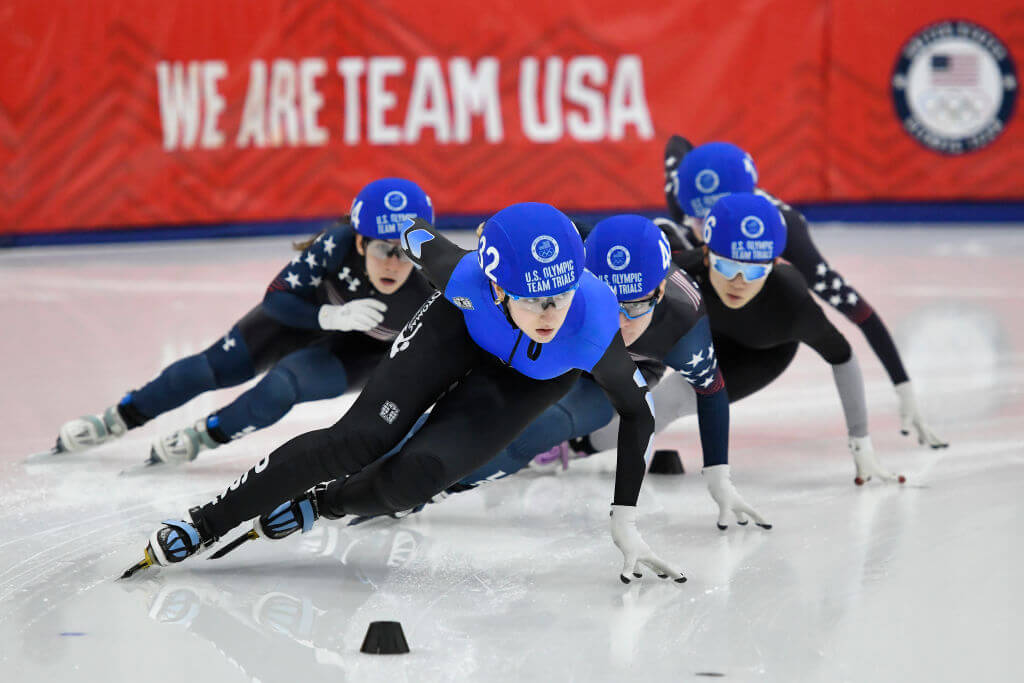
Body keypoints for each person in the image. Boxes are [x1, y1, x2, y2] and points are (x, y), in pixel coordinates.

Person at [123, 203, 685, 585]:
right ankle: (209, 520)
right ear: (494, 284)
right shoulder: (462, 277)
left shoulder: (590, 328)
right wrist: (383, 227)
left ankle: (321, 504)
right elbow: (414, 231)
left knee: (415, 478)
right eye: (532, 299)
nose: (549, 315)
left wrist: (624, 520)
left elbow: (637, 417)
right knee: (359, 439)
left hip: (526, 381)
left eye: (560, 297)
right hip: (458, 330)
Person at [37, 178, 436, 466]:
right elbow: (277, 298)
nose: (394, 263)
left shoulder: (436, 280)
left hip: (364, 352)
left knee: (282, 387)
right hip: (305, 316)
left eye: (406, 252)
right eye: (385, 248)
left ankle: (204, 436)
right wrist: (327, 315)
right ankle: (118, 419)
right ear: (361, 240)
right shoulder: (335, 244)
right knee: (210, 368)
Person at [443, 214, 770, 530]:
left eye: (636, 306)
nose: (620, 322)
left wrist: (719, 477)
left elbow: (711, 391)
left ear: (658, 293)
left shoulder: (684, 322)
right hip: (568, 341)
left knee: (539, 429)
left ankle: (440, 485)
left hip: (618, 372)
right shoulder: (577, 250)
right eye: (608, 303)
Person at [661, 139, 946, 449]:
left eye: (708, 219)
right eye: (696, 218)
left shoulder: (786, 234)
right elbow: (675, 146)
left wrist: (904, 390)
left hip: (754, 329)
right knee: (662, 238)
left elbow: (858, 311)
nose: (702, 228)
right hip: (707, 294)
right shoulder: (685, 194)